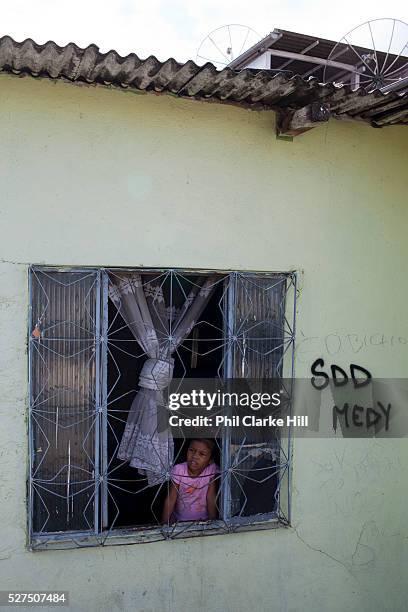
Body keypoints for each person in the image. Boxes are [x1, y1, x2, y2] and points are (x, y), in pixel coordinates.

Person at [161, 439, 219, 523]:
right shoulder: (179, 470)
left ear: (210, 460)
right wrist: (164, 523)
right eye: (191, 450)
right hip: (179, 521)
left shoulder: (210, 470)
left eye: (202, 454)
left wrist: (212, 521)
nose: (195, 456)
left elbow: (211, 497)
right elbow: (171, 498)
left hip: (203, 520)